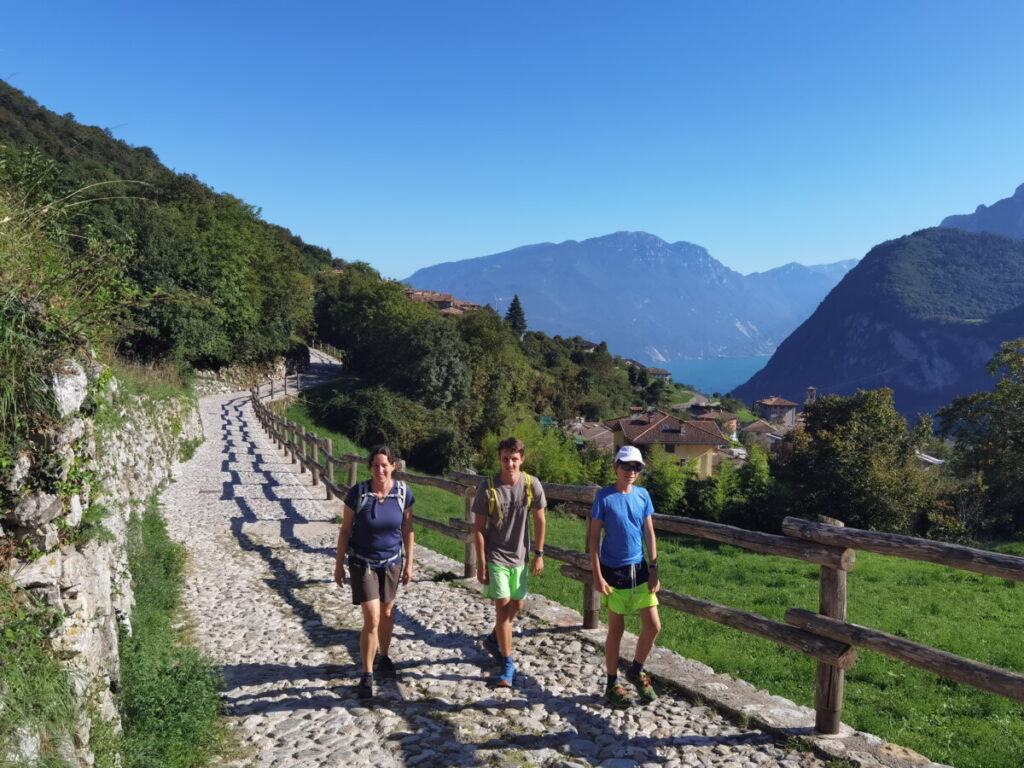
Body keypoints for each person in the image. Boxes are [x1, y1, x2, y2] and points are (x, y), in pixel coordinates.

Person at [333, 445, 414, 698]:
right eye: (375, 465)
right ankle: (367, 675)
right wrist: (338, 565)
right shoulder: (359, 493)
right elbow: (345, 530)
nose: (380, 470)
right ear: (370, 468)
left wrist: (409, 562)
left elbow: (407, 530)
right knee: (372, 617)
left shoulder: (403, 493)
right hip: (363, 562)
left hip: (392, 561)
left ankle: (384, 656)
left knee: (388, 612)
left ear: (393, 466)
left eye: (384, 465)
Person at [588, 444, 662, 708]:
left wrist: (654, 569)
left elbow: (649, 534)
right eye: (626, 465)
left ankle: (636, 670)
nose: (631, 471)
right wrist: (597, 575)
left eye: (637, 467)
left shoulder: (643, 496)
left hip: (639, 570)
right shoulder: (604, 498)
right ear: (615, 467)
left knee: (653, 626)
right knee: (616, 631)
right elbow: (594, 540)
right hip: (613, 572)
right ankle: (611, 683)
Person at [473, 436, 547, 687]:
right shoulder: (488, 488)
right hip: (496, 556)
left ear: (522, 459)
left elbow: (540, 519)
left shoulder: (531, 484)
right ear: (499, 459)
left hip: (521, 556)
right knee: (503, 610)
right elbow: (479, 530)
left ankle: (494, 638)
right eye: (506, 459)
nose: (510, 464)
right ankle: (507, 663)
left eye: (514, 459)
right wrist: (481, 564)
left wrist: (539, 554)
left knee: (518, 605)